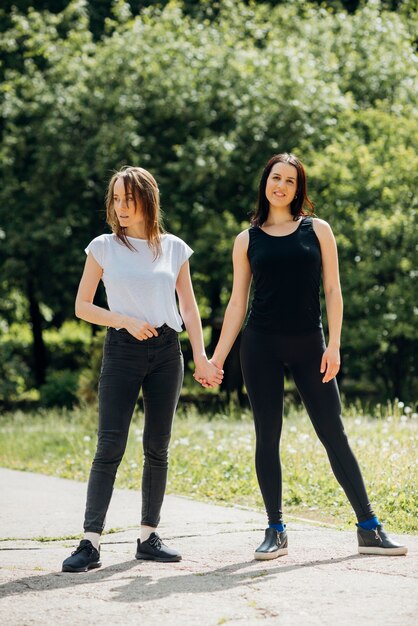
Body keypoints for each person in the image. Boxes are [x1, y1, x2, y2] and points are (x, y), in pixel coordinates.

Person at [201, 153, 407, 560]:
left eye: (290, 181)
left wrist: (334, 343)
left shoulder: (318, 230)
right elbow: (237, 303)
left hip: (310, 343)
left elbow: (333, 290)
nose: (281, 185)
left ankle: (369, 527)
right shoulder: (247, 239)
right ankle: (275, 529)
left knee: (333, 432)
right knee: (268, 435)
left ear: (299, 189)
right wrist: (217, 358)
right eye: (275, 178)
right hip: (259, 344)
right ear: (265, 183)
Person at [62, 166, 223, 572]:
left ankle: (148, 537)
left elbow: (189, 307)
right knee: (110, 445)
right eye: (114, 199)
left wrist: (202, 357)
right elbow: (82, 306)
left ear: (147, 200)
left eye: (127, 199)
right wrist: (124, 321)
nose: (119, 207)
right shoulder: (102, 247)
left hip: (168, 352)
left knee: (157, 447)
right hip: (122, 351)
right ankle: (90, 542)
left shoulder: (173, 248)